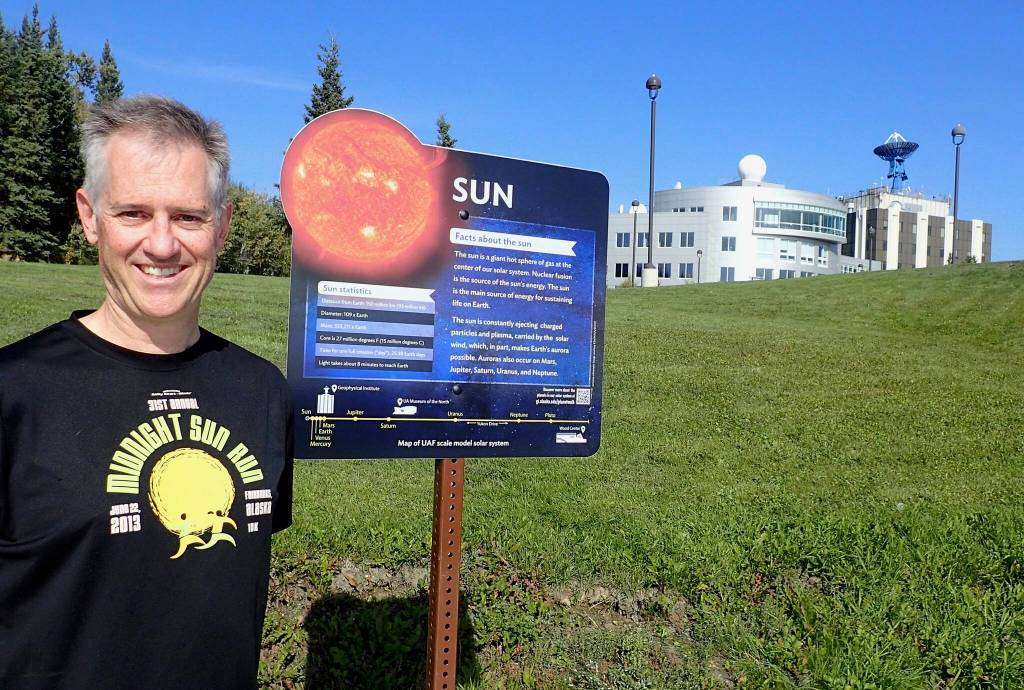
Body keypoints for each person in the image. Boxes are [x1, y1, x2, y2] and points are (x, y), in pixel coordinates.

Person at [0, 95, 293, 690]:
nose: (162, 245)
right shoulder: (14, 392)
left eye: (188, 217)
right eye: (133, 213)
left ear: (223, 225)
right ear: (89, 217)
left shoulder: (262, 392)